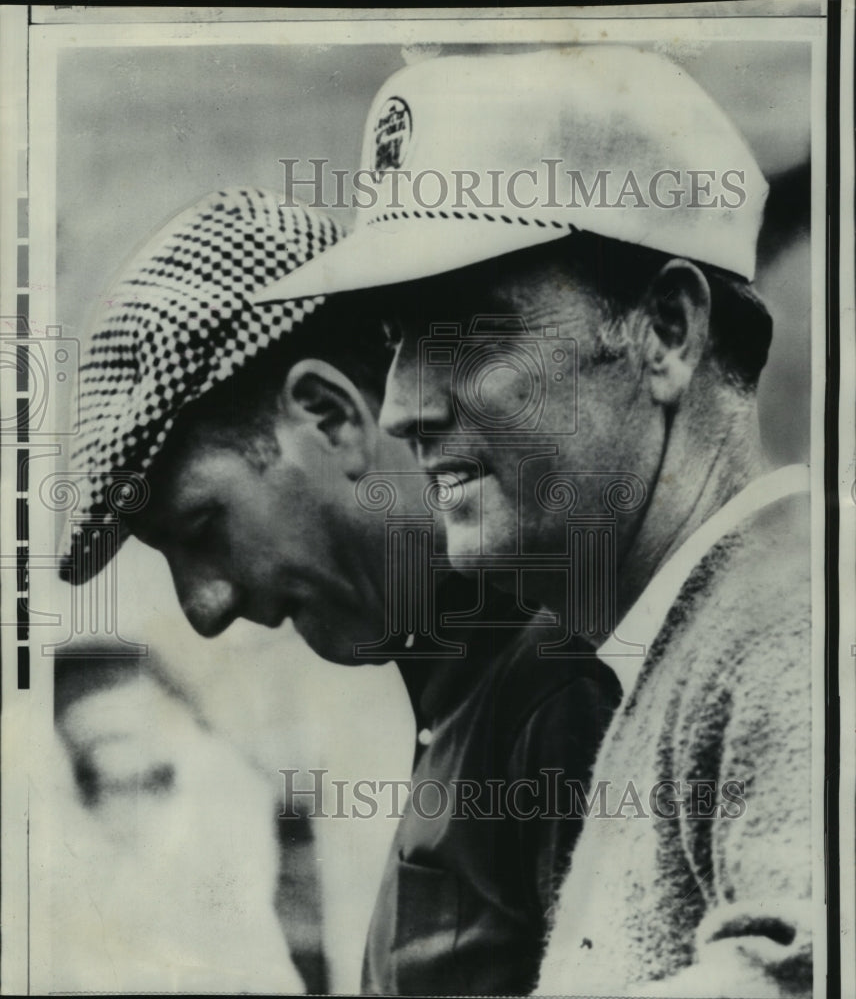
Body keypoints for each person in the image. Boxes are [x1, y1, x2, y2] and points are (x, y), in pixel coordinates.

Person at [258, 47, 813, 997]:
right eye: (396, 345)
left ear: (667, 333)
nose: (402, 408)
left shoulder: (801, 620)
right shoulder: (674, 651)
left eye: (467, 332)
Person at [59, 186, 620, 995]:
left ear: (329, 417)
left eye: (203, 529)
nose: (204, 609)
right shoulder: (469, 686)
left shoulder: (561, 685)